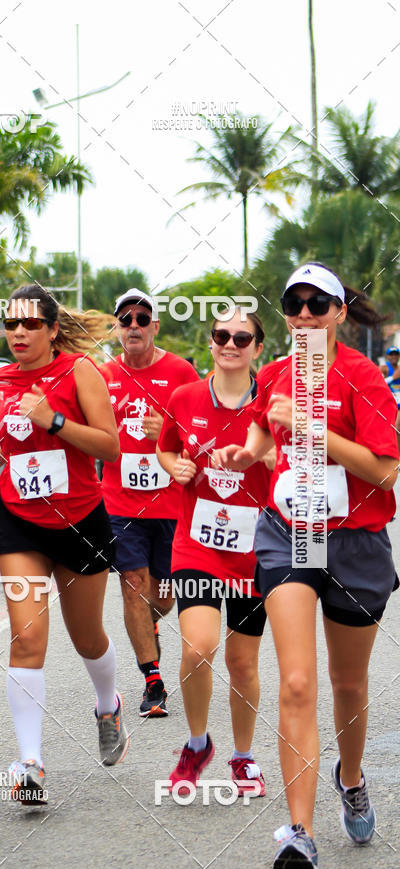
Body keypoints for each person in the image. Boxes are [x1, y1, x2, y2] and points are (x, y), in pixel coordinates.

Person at [214, 263, 399, 869]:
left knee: (348, 684)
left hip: (355, 545)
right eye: (295, 304)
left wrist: (315, 428)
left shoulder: (362, 375)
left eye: (318, 304)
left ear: (340, 312)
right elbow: (266, 438)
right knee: (296, 682)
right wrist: (247, 453)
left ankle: (351, 778)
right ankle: (301, 833)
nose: (304, 315)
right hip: (288, 536)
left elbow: (384, 471)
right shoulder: (272, 376)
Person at [0, 284, 128, 805]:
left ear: (51, 329)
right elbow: (13, 440)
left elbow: (110, 445)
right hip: (21, 521)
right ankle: (30, 762)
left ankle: (107, 704)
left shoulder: (79, 372)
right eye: (11, 324)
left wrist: (55, 421)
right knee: (27, 639)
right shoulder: (1, 380)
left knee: (87, 638)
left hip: (81, 519)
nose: (18, 333)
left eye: (29, 324)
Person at [156, 308, 270, 797]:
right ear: (211, 342)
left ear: (257, 347)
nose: (230, 343)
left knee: (243, 663)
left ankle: (242, 758)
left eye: (241, 337)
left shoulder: (272, 402)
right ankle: (196, 743)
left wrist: (266, 455)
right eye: (222, 335)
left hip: (256, 549)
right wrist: (175, 468)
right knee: (198, 648)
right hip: (197, 545)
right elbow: (166, 448)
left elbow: (298, 459)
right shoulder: (184, 398)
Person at [100, 289, 198, 717]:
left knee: (162, 597)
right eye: (126, 319)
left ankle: (152, 620)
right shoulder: (102, 376)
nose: (134, 326)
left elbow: (204, 432)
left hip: (173, 505)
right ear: (118, 328)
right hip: (120, 504)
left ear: (155, 325)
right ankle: (152, 681)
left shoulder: (180, 371)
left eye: (142, 318)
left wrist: (172, 430)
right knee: (132, 587)